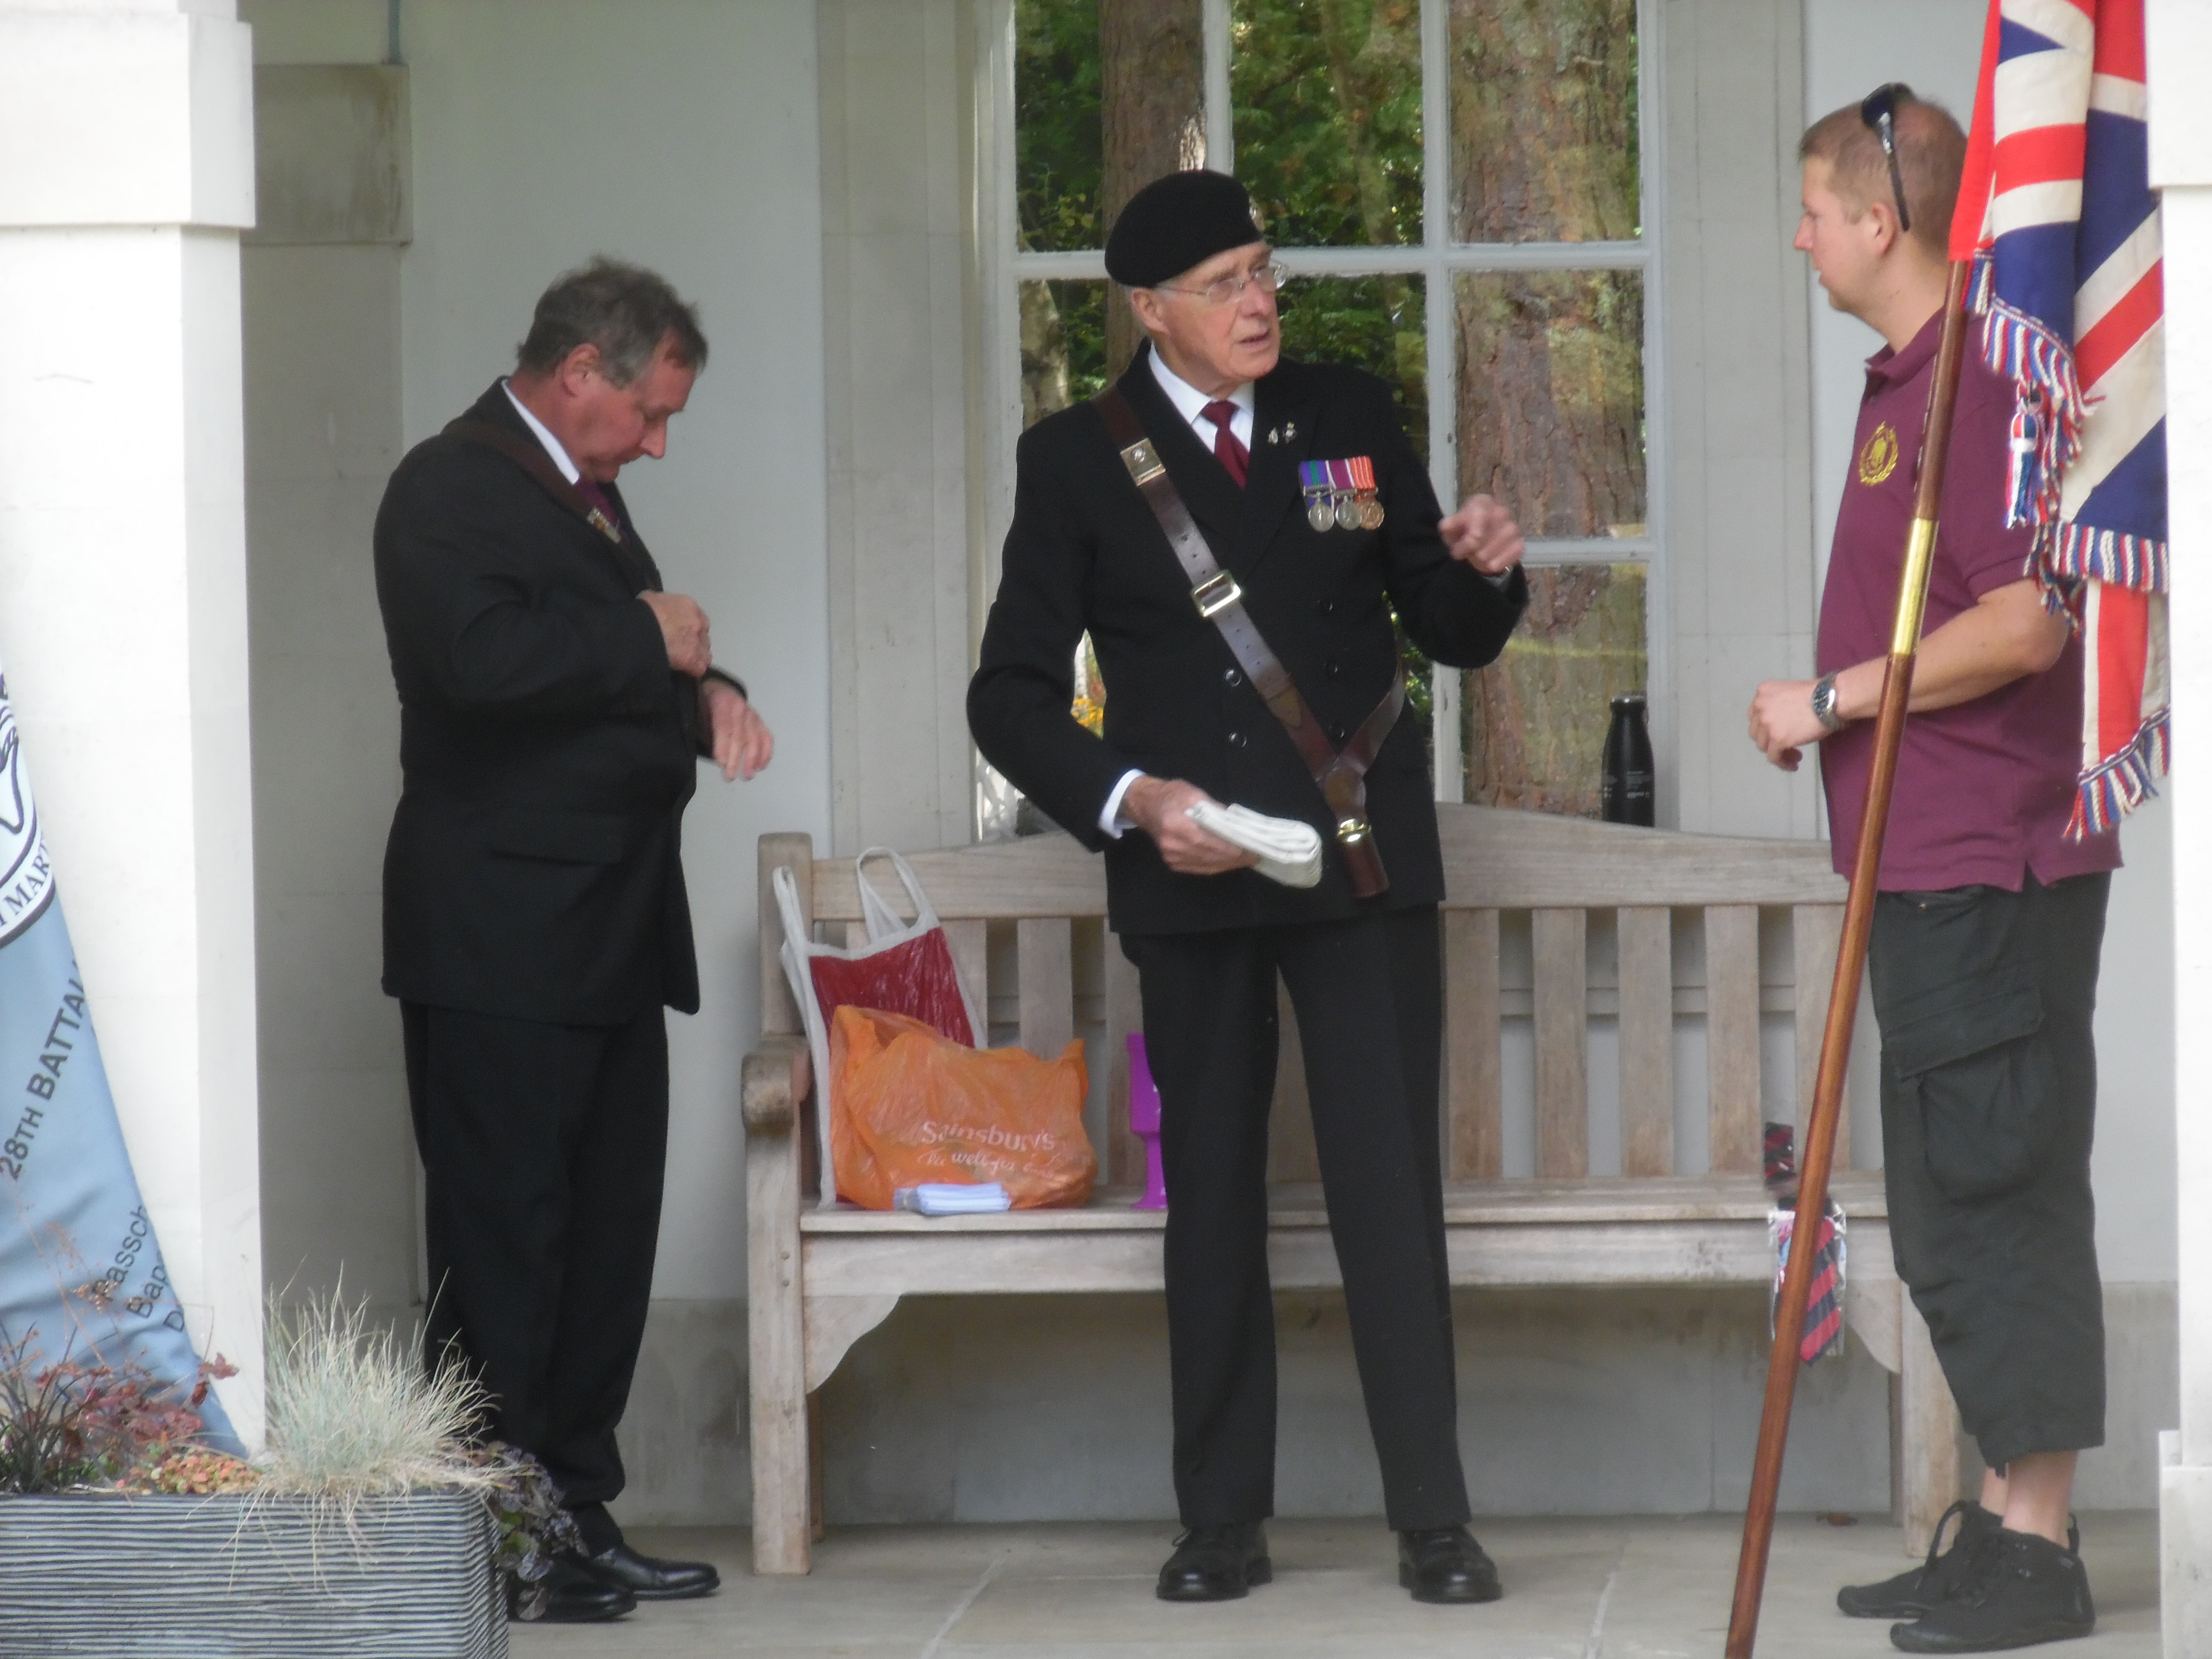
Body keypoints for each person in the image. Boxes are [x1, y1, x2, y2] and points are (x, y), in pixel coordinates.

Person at [968, 169, 1528, 1606]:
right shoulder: (1077, 458)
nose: (1257, 301)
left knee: (1388, 1196)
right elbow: (1008, 695)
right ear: (1148, 311)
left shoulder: (1343, 414)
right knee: (1208, 1197)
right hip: (1196, 874)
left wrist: (1483, 574)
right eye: (1222, 284)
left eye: (1263, 270)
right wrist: (1133, 804)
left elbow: (1445, 626)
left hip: (1359, 861)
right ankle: (1221, 1522)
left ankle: (1436, 1522)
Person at [1749, 89, 2116, 1654]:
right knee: (1952, 1203)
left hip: (1988, 867)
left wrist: (1828, 701)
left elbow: (2031, 620)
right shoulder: (1916, 372)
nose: (1802, 235)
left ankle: (2042, 1551)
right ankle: (2007, 1520)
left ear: (1879, 222)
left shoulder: (1983, 372)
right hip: (1923, 870)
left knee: (2001, 1188)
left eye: (1817, 211)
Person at [373, 258, 773, 1624]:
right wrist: (649, 636)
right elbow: (479, 667)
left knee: (604, 1241)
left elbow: (615, 662)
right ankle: (492, 1536)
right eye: (650, 413)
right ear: (580, 374)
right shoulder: (447, 486)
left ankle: (579, 1516)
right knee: (504, 1242)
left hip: (604, 933)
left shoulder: (584, 498)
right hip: (498, 934)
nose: (659, 443)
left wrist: (711, 689)